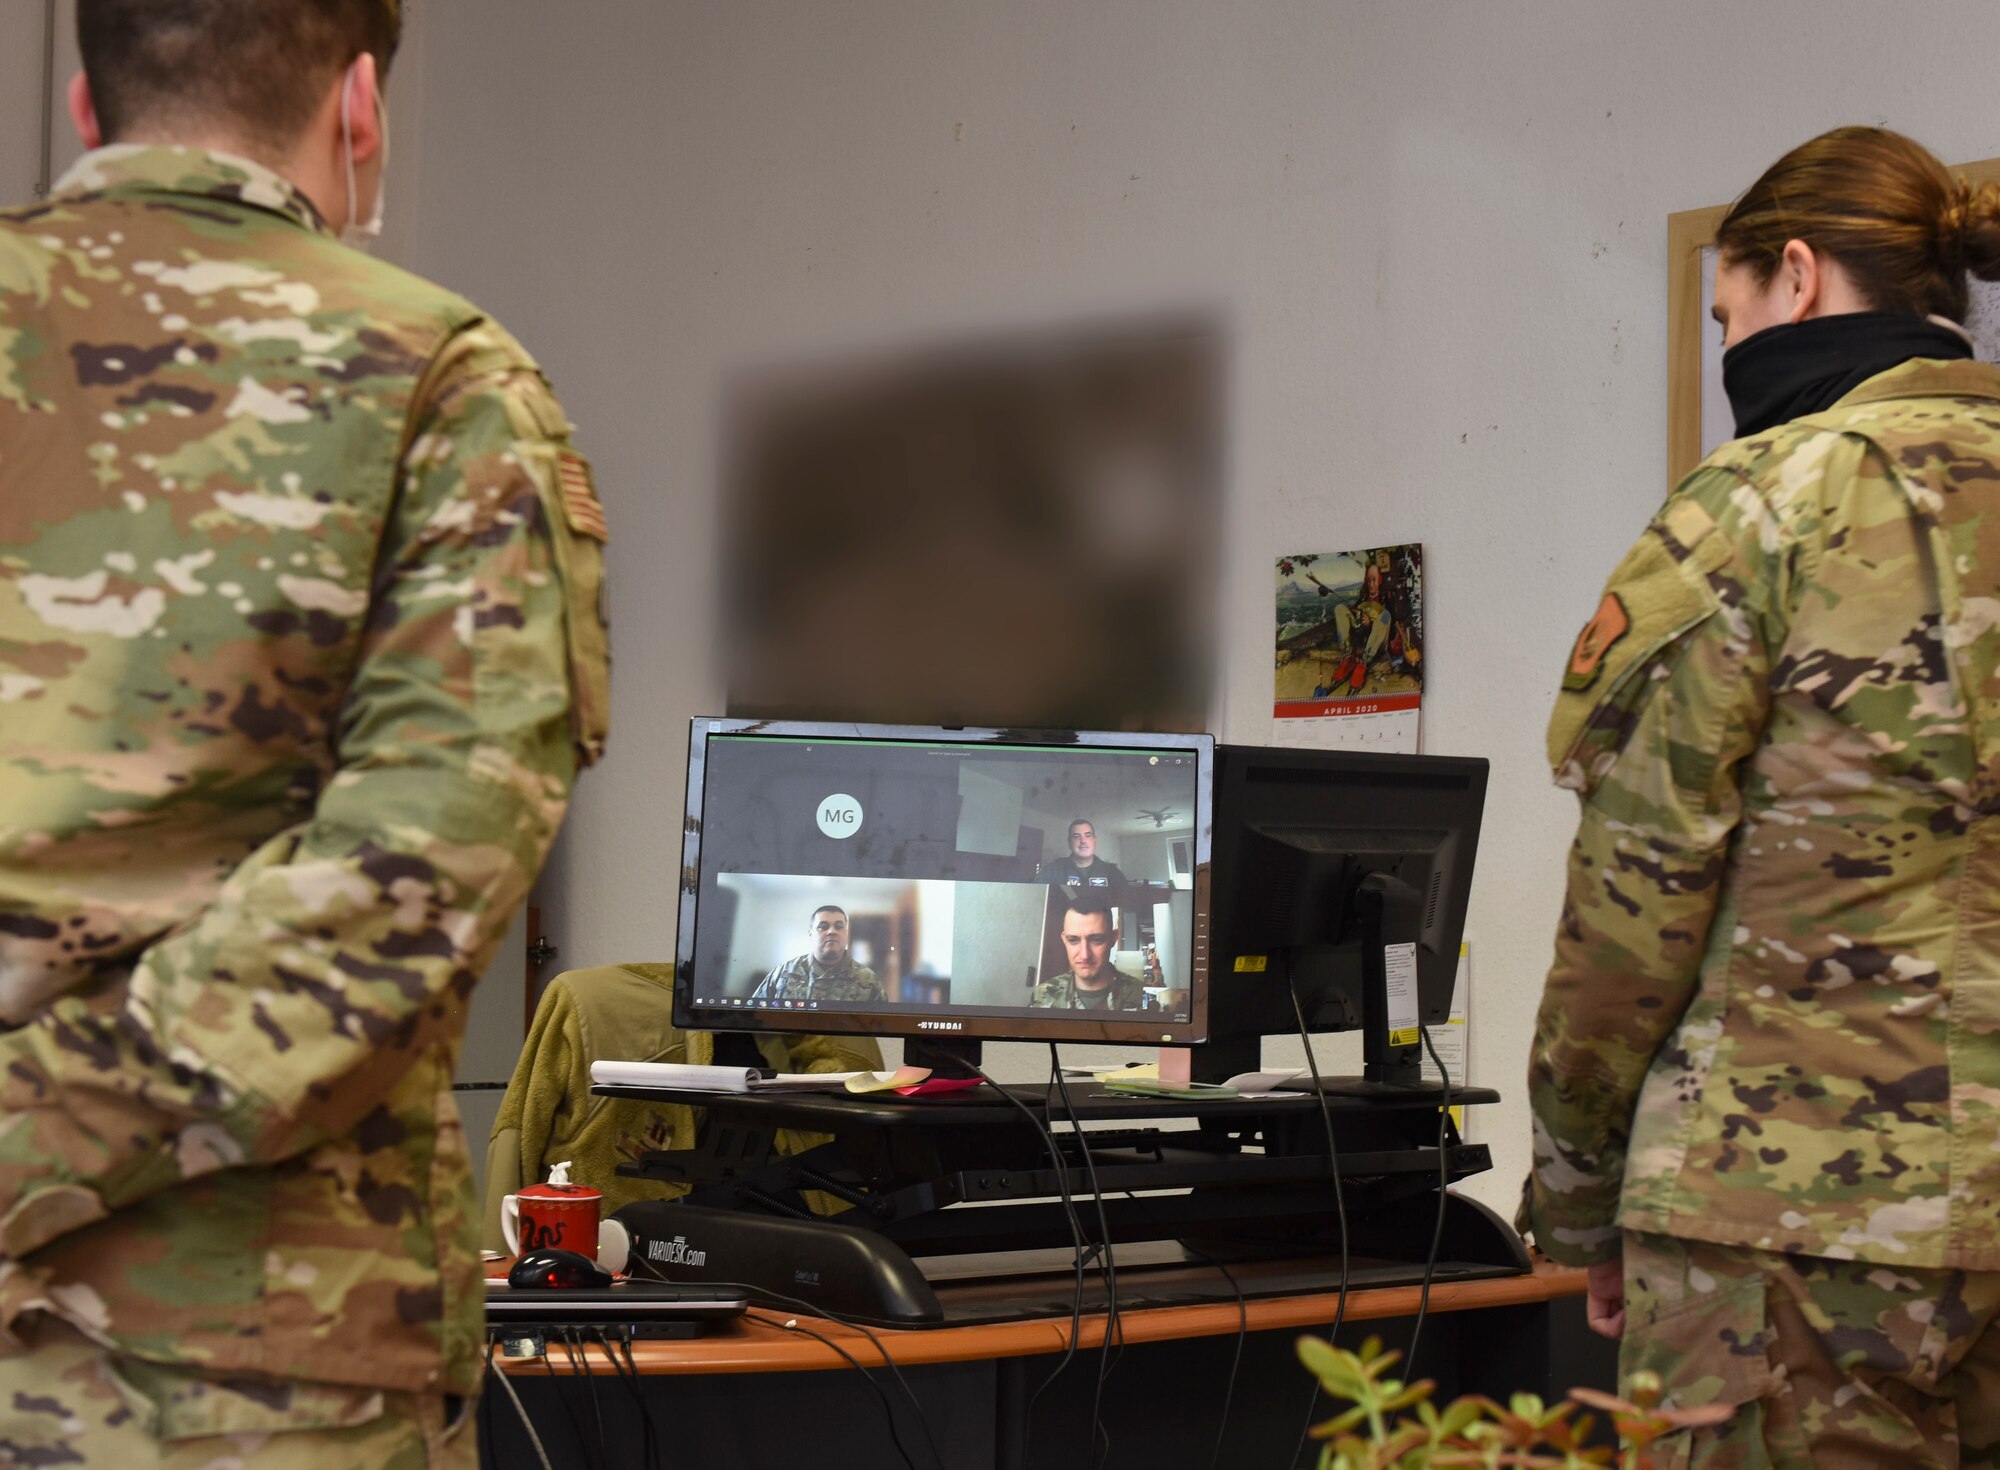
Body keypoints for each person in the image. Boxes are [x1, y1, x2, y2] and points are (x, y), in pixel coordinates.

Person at [0, 2, 609, 1464]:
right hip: (243, 1374)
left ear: (90, 105)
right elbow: (411, 872)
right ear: (358, 109)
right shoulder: (441, 386)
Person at [1523, 125, 2000, 1465]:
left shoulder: (1759, 504)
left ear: (1796, 276)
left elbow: (1635, 905)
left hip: (1785, 1228)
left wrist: (1577, 1202)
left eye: (1725, 312)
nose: (1731, 347)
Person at [750, 905, 885, 1004]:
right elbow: (753, 1015)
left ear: (846, 934)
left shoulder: (868, 979)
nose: (832, 931)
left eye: (839, 927)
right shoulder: (783, 973)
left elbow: (882, 1027)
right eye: (823, 926)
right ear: (810, 934)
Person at [1031, 895, 1146, 1010]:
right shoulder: (1043, 995)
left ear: (1113, 938)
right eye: (1073, 940)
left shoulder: (1141, 996)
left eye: (1096, 940)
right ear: (1064, 940)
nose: (1085, 955)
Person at [1035, 817, 1130, 897]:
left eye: (1088, 835)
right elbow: (1035, 898)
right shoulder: (1053, 870)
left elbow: (1126, 905)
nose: (1083, 841)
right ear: (1069, 842)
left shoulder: (1111, 872)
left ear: (1095, 841)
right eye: (1076, 836)